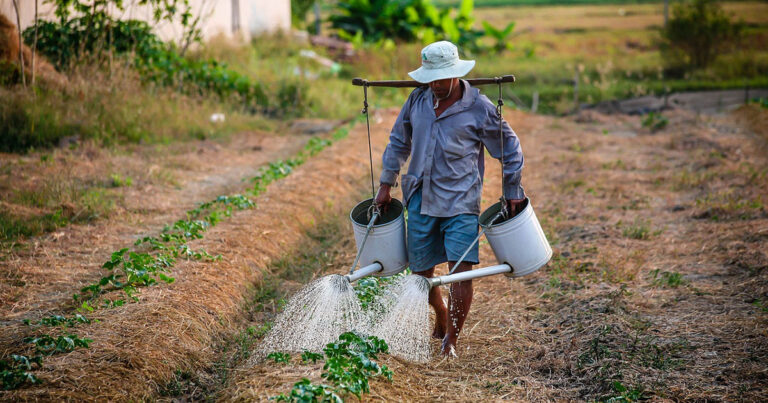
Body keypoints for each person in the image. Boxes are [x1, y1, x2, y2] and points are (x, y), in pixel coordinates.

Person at [374, 41, 525, 357]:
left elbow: (510, 149)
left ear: (456, 74)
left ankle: (450, 342)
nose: (436, 85)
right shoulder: (417, 100)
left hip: (461, 202)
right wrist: (386, 184)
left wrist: (512, 190)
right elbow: (398, 142)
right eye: (431, 78)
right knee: (421, 275)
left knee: (461, 271)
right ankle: (441, 313)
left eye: (441, 79)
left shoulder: (479, 108)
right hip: (420, 198)